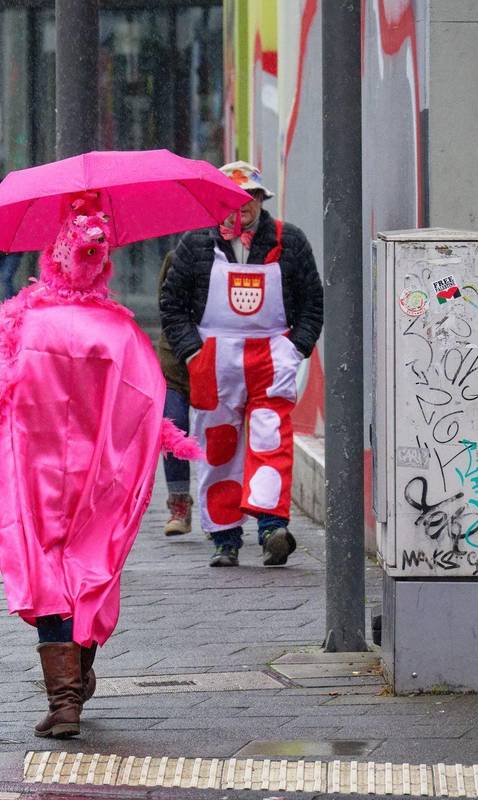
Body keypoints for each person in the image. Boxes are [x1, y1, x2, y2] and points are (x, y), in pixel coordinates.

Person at [0, 192, 201, 739]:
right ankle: (78, 674)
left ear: (50, 259)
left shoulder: (22, 326)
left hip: (32, 476)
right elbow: (147, 406)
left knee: (44, 574)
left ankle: (64, 700)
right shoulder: (121, 334)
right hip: (101, 477)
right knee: (89, 569)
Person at [159, 161, 324, 568]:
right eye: (231, 198)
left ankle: (272, 529)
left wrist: (294, 349)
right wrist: (194, 353)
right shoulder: (194, 244)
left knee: (271, 440)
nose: (241, 206)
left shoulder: (291, 241)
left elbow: (312, 304)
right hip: (215, 361)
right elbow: (172, 305)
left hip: (272, 356)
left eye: (249, 197)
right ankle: (225, 537)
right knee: (219, 446)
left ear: (261, 200)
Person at [155, 250, 195, 536]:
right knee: (174, 424)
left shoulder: (232, 258)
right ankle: (178, 504)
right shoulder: (176, 256)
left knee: (219, 436)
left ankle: (220, 513)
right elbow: (165, 306)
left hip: (219, 360)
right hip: (175, 363)